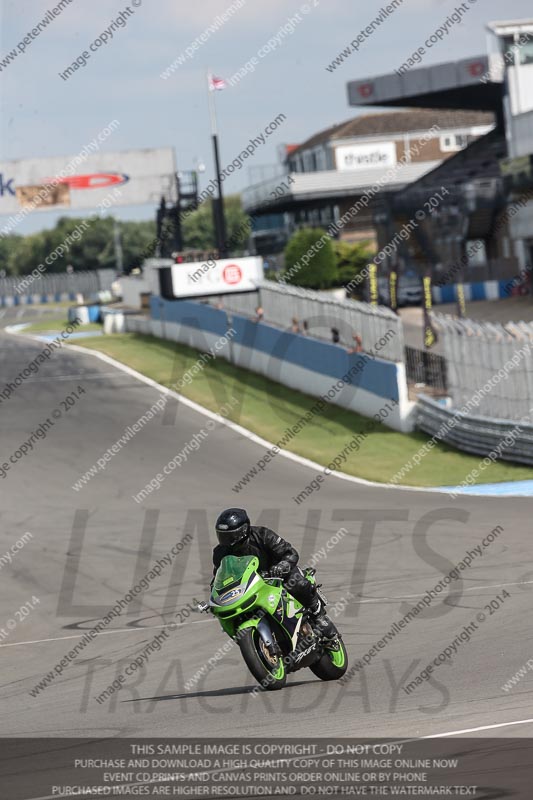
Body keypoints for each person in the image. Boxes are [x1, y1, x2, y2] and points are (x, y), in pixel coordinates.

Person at [212, 508, 338, 639]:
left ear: (243, 531)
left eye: (230, 536)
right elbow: (219, 576)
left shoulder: (262, 535)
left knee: (296, 582)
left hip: (277, 575)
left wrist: (282, 565)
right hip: (250, 586)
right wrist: (215, 593)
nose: (226, 541)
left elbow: (290, 552)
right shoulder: (220, 552)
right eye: (222, 536)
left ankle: (318, 615)